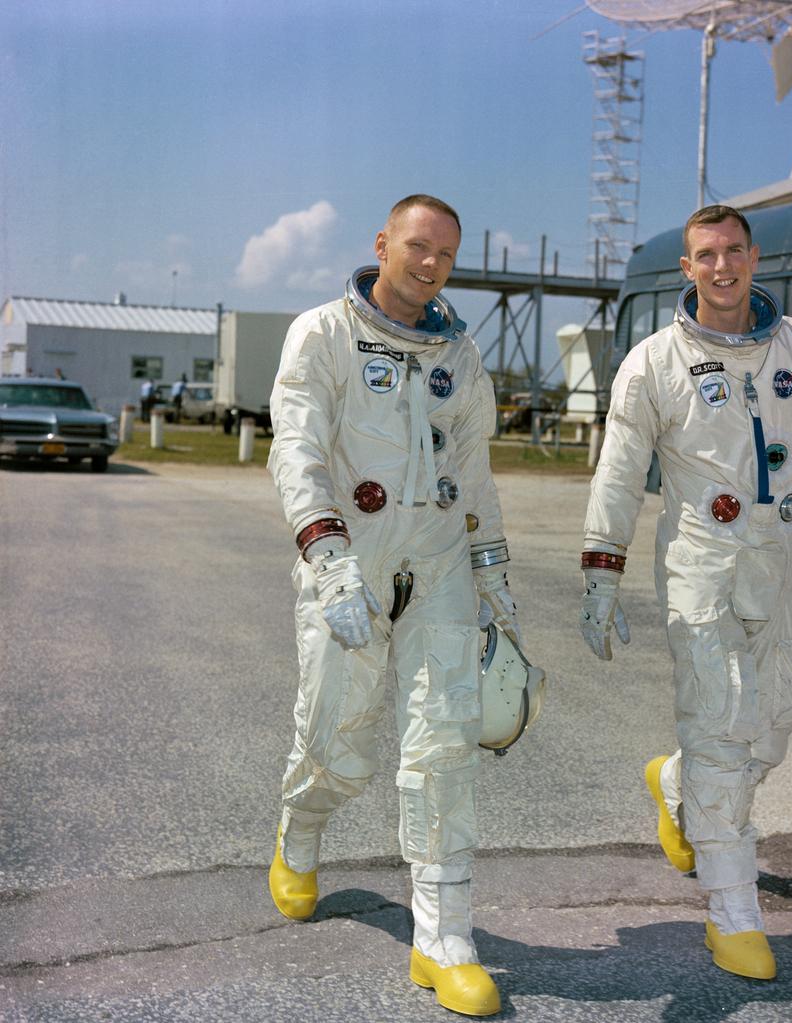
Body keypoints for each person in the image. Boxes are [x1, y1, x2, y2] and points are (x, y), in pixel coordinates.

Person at [579, 205, 792, 981]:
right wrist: (603, 570)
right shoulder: (655, 362)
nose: (722, 266)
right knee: (719, 721)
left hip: (778, 557)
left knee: (772, 723)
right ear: (688, 268)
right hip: (702, 563)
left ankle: (674, 784)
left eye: (734, 251)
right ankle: (734, 912)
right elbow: (618, 471)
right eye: (706, 254)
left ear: (755, 256)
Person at [266, 194, 519, 1017]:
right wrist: (326, 555)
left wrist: (494, 581)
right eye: (417, 246)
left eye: (444, 254)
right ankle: (301, 830)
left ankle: (444, 939)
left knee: (442, 747)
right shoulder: (325, 333)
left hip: (438, 560)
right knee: (337, 740)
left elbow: (474, 471)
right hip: (350, 561)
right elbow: (296, 445)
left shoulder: (460, 353)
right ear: (383, 243)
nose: (429, 263)